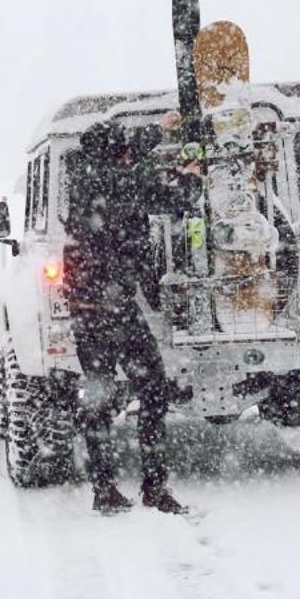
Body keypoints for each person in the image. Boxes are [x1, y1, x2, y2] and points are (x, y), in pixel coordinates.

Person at [62, 118, 191, 515]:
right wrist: (191, 179)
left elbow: (132, 161)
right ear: (117, 153)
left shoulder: (84, 181)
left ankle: (104, 490)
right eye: (127, 149)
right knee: (153, 390)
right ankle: (154, 487)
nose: (131, 155)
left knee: (98, 397)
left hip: (86, 312)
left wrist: (152, 135)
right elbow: (175, 201)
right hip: (116, 311)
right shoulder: (121, 183)